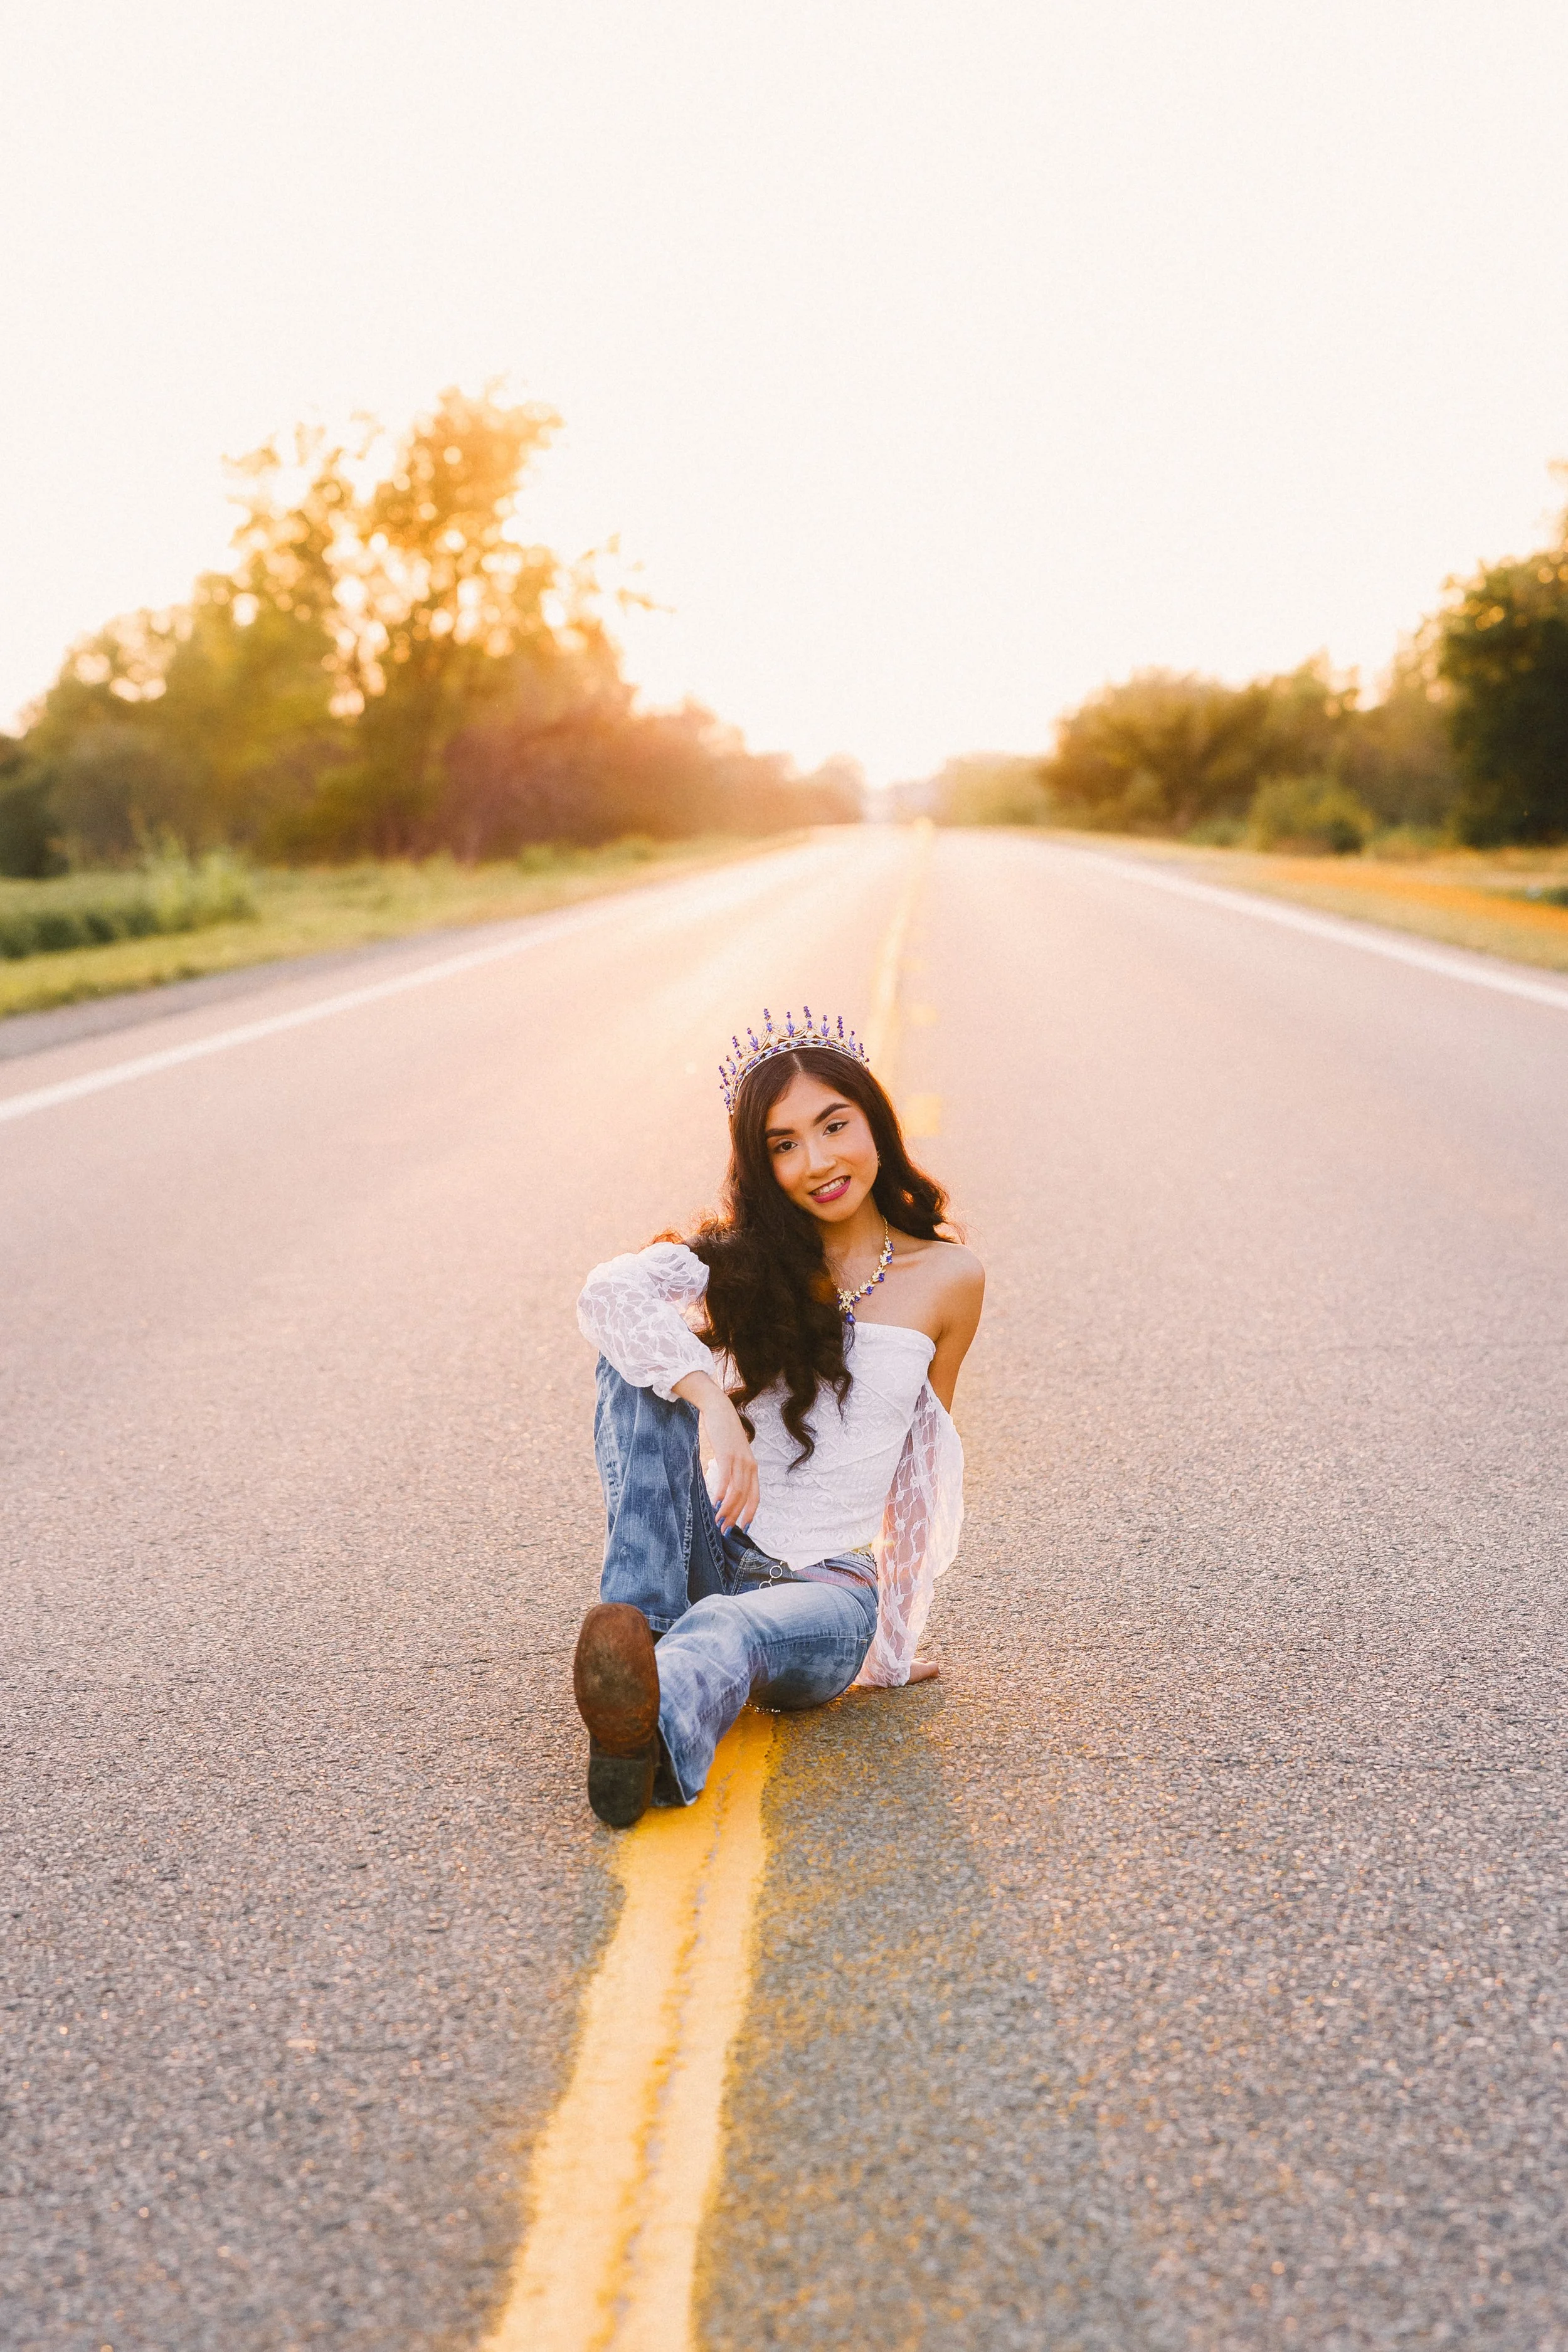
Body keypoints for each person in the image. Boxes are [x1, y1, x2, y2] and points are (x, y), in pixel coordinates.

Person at [571, 1007, 984, 1828]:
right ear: (762, 1165)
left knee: (731, 1625)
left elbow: (920, 1468)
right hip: (716, 1547)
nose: (817, 1161)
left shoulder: (950, 1278)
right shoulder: (742, 1262)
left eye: (834, 1125)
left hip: (827, 1592)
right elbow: (607, 1292)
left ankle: (646, 1721)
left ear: (875, 1121)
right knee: (639, 1356)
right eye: (784, 1144)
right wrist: (711, 1409)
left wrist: (892, 1646)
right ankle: (644, 1625)